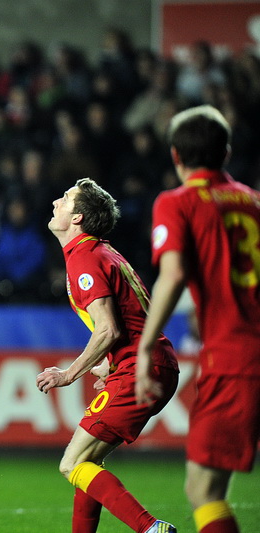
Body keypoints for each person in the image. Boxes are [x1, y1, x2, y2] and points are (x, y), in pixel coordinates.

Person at [136, 105, 260, 533]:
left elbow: (172, 275)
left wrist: (147, 346)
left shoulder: (179, 202)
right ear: (226, 152)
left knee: (203, 491)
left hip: (236, 358)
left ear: (175, 156)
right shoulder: (254, 202)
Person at [37, 177, 178, 533]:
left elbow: (109, 329)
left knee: (71, 465)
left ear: (78, 218)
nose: (56, 201)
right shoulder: (102, 251)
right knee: (89, 464)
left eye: (66, 198)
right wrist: (108, 363)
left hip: (139, 368)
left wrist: (70, 373)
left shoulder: (84, 257)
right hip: (145, 363)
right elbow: (131, 323)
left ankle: (150, 528)